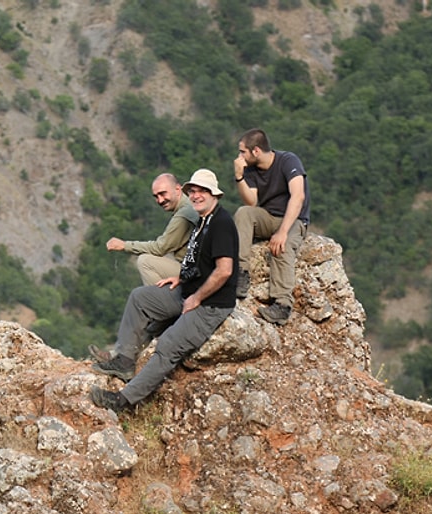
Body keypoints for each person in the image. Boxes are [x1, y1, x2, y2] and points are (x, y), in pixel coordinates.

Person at [89, 169, 238, 413]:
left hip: (210, 304)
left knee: (167, 345)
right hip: (187, 291)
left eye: (203, 191)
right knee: (140, 297)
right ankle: (125, 360)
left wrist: (196, 298)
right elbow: (198, 261)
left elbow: (224, 271)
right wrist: (181, 276)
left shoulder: (221, 224)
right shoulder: (203, 221)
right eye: (194, 191)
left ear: (214, 194)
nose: (197, 195)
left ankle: (123, 401)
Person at [232, 128, 310, 325]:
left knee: (280, 248)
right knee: (243, 213)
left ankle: (282, 304)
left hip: (294, 219)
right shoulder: (251, 169)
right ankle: (241, 273)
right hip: (268, 216)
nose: (240, 156)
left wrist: (282, 232)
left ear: (256, 151)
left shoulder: (288, 160)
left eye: (243, 151)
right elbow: (251, 201)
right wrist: (239, 177)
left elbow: (298, 196)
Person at [105, 173, 200, 286]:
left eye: (163, 194)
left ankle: (158, 301)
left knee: (145, 261)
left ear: (178, 189)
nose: (160, 200)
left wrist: (125, 245)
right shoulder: (189, 207)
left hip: (194, 271)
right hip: (192, 266)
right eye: (156, 196)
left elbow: (160, 248)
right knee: (159, 256)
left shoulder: (184, 214)